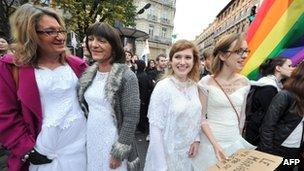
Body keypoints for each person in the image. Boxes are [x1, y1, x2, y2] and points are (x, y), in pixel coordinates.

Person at [0, 3, 87, 171]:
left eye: (61, 30)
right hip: (41, 155)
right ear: (31, 35)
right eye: (50, 32)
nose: (60, 37)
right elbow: (4, 112)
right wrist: (26, 149)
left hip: (80, 151)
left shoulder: (79, 66)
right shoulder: (12, 67)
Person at [77, 22, 140, 171]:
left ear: (113, 46)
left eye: (101, 41)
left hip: (113, 140)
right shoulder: (88, 74)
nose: (94, 44)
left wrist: (119, 152)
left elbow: (131, 117)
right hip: (92, 138)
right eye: (91, 39)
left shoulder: (126, 76)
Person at [192, 33, 255, 170]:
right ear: (222, 55)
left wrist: (238, 139)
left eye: (246, 51)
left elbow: (242, 116)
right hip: (210, 144)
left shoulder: (245, 82)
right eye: (239, 51)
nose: (244, 55)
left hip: (234, 143)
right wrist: (216, 145)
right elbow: (200, 117)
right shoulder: (205, 82)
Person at [144, 40, 202, 170]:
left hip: (188, 155)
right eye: (178, 57)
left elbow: (196, 117)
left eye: (188, 57)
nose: (182, 62)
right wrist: (161, 167)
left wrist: (196, 139)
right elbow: (155, 130)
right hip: (166, 155)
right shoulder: (163, 87)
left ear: (194, 61)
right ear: (171, 61)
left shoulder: (193, 86)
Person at [258, 62, 304, 171]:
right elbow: (267, 126)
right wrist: (268, 153)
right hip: (278, 149)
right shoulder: (284, 95)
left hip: (295, 150)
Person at [244, 57, 294, 145]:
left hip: (258, 132)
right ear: (278, 68)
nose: (292, 69)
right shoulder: (269, 87)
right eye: (289, 66)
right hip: (258, 134)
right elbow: (271, 115)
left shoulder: (274, 85)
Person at [135, 60, 153, 134]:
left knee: (141, 114)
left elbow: (143, 88)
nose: (135, 65)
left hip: (141, 99)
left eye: (136, 64)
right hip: (143, 98)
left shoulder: (141, 76)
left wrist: (141, 99)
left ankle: (141, 129)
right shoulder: (143, 75)